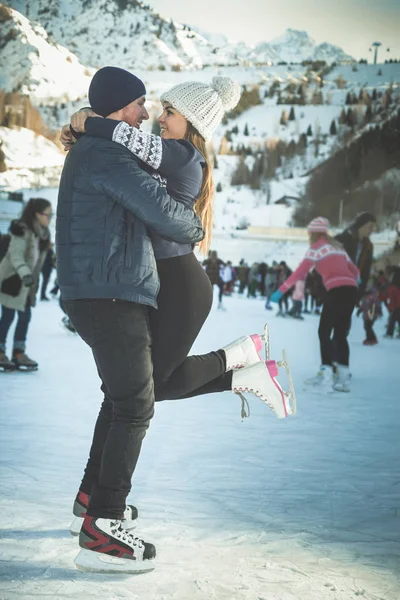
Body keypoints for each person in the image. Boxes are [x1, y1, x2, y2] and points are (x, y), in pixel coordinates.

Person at [60, 68, 295, 574]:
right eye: (148, 106)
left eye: (165, 110)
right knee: (136, 395)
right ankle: (96, 502)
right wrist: (85, 122)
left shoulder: (181, 153)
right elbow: (134, 165)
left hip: (180, 283)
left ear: (190, 122)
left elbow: (160, 199)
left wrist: (85, 121)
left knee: (139, 394)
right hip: (145, 284)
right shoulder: (131, 150)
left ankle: (240, 364)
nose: (153, 117)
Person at [271, 217, 359, 392]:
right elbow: (355, 271)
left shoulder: (316, 249)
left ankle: (326, 371)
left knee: (324, 331)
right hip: (351, 290)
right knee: (340, 333)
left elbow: (299, 273)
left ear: (313, 233)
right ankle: (343, 375)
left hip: (336, 290)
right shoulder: (338, 247)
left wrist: (281, 291)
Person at [0, 198, 51, 371]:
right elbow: (15, 256)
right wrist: (25, 273)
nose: (49, 219)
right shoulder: (21, 230)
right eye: (47, 215)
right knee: (8, 317)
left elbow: (41, 262)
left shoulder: (43, 234)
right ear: (37, 214)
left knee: (25, 317)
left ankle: (18, 353)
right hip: (12, 280)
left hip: (27, 285)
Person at [335, 212, 376, 299]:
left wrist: (360, 292)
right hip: (335, 288)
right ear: (361, 225)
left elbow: (365, 272)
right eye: (370, 226)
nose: (372, 230)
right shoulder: (342, 239)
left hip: (352, 291)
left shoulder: (368, 246)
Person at [356, 281, 382, 345]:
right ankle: (371, 338)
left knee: (368, 327)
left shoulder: (373, 295)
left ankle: (371, 339)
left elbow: (377, 303)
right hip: (366, 315)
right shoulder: (365, 296)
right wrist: (359, 310)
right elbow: (363, 305)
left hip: (372, 314)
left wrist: (379, 311)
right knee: (367, 327)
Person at [385, 267, 400, 338]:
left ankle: (389, 334)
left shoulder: (392, 287)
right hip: (398, 304)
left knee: (392, 320)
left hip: (397, 305)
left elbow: (391, 299)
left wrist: (391, 307)